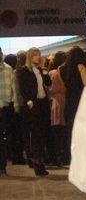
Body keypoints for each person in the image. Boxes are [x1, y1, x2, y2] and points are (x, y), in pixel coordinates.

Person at [17, 47, 52, 176]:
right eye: (35, 55)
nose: (38, 57)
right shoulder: (25, 71)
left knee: (43, 132)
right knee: (36, 134)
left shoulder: (40, 70)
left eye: (39, 55)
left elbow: (48, 82)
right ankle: (37, 162)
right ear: (30, 57)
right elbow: (23, 88)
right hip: (34, 104)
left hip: (43, 103)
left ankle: (41, 161)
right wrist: (28, 101)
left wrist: (43, 68)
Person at [61, 45, 86, 156]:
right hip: (81, 100)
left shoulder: (62, 69)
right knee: (81, 129)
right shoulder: (81, 67)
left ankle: (71, 154)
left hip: (69, 100)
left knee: (70, 129)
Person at [0, 48, 20, 175]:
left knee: (2, 138)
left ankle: (2, 166)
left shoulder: (8, 69)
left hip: (4, 107)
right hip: (5, 106)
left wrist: (16, 106)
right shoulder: (8, 69)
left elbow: (14, 90)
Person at [48, 51, 68, 168]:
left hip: (55, 101)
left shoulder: (52, 73)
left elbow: (49, 89)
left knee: (56, 131)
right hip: (65, 100)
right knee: (65, 130)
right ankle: (65, 156)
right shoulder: (66, 72)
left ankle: (57, 156)